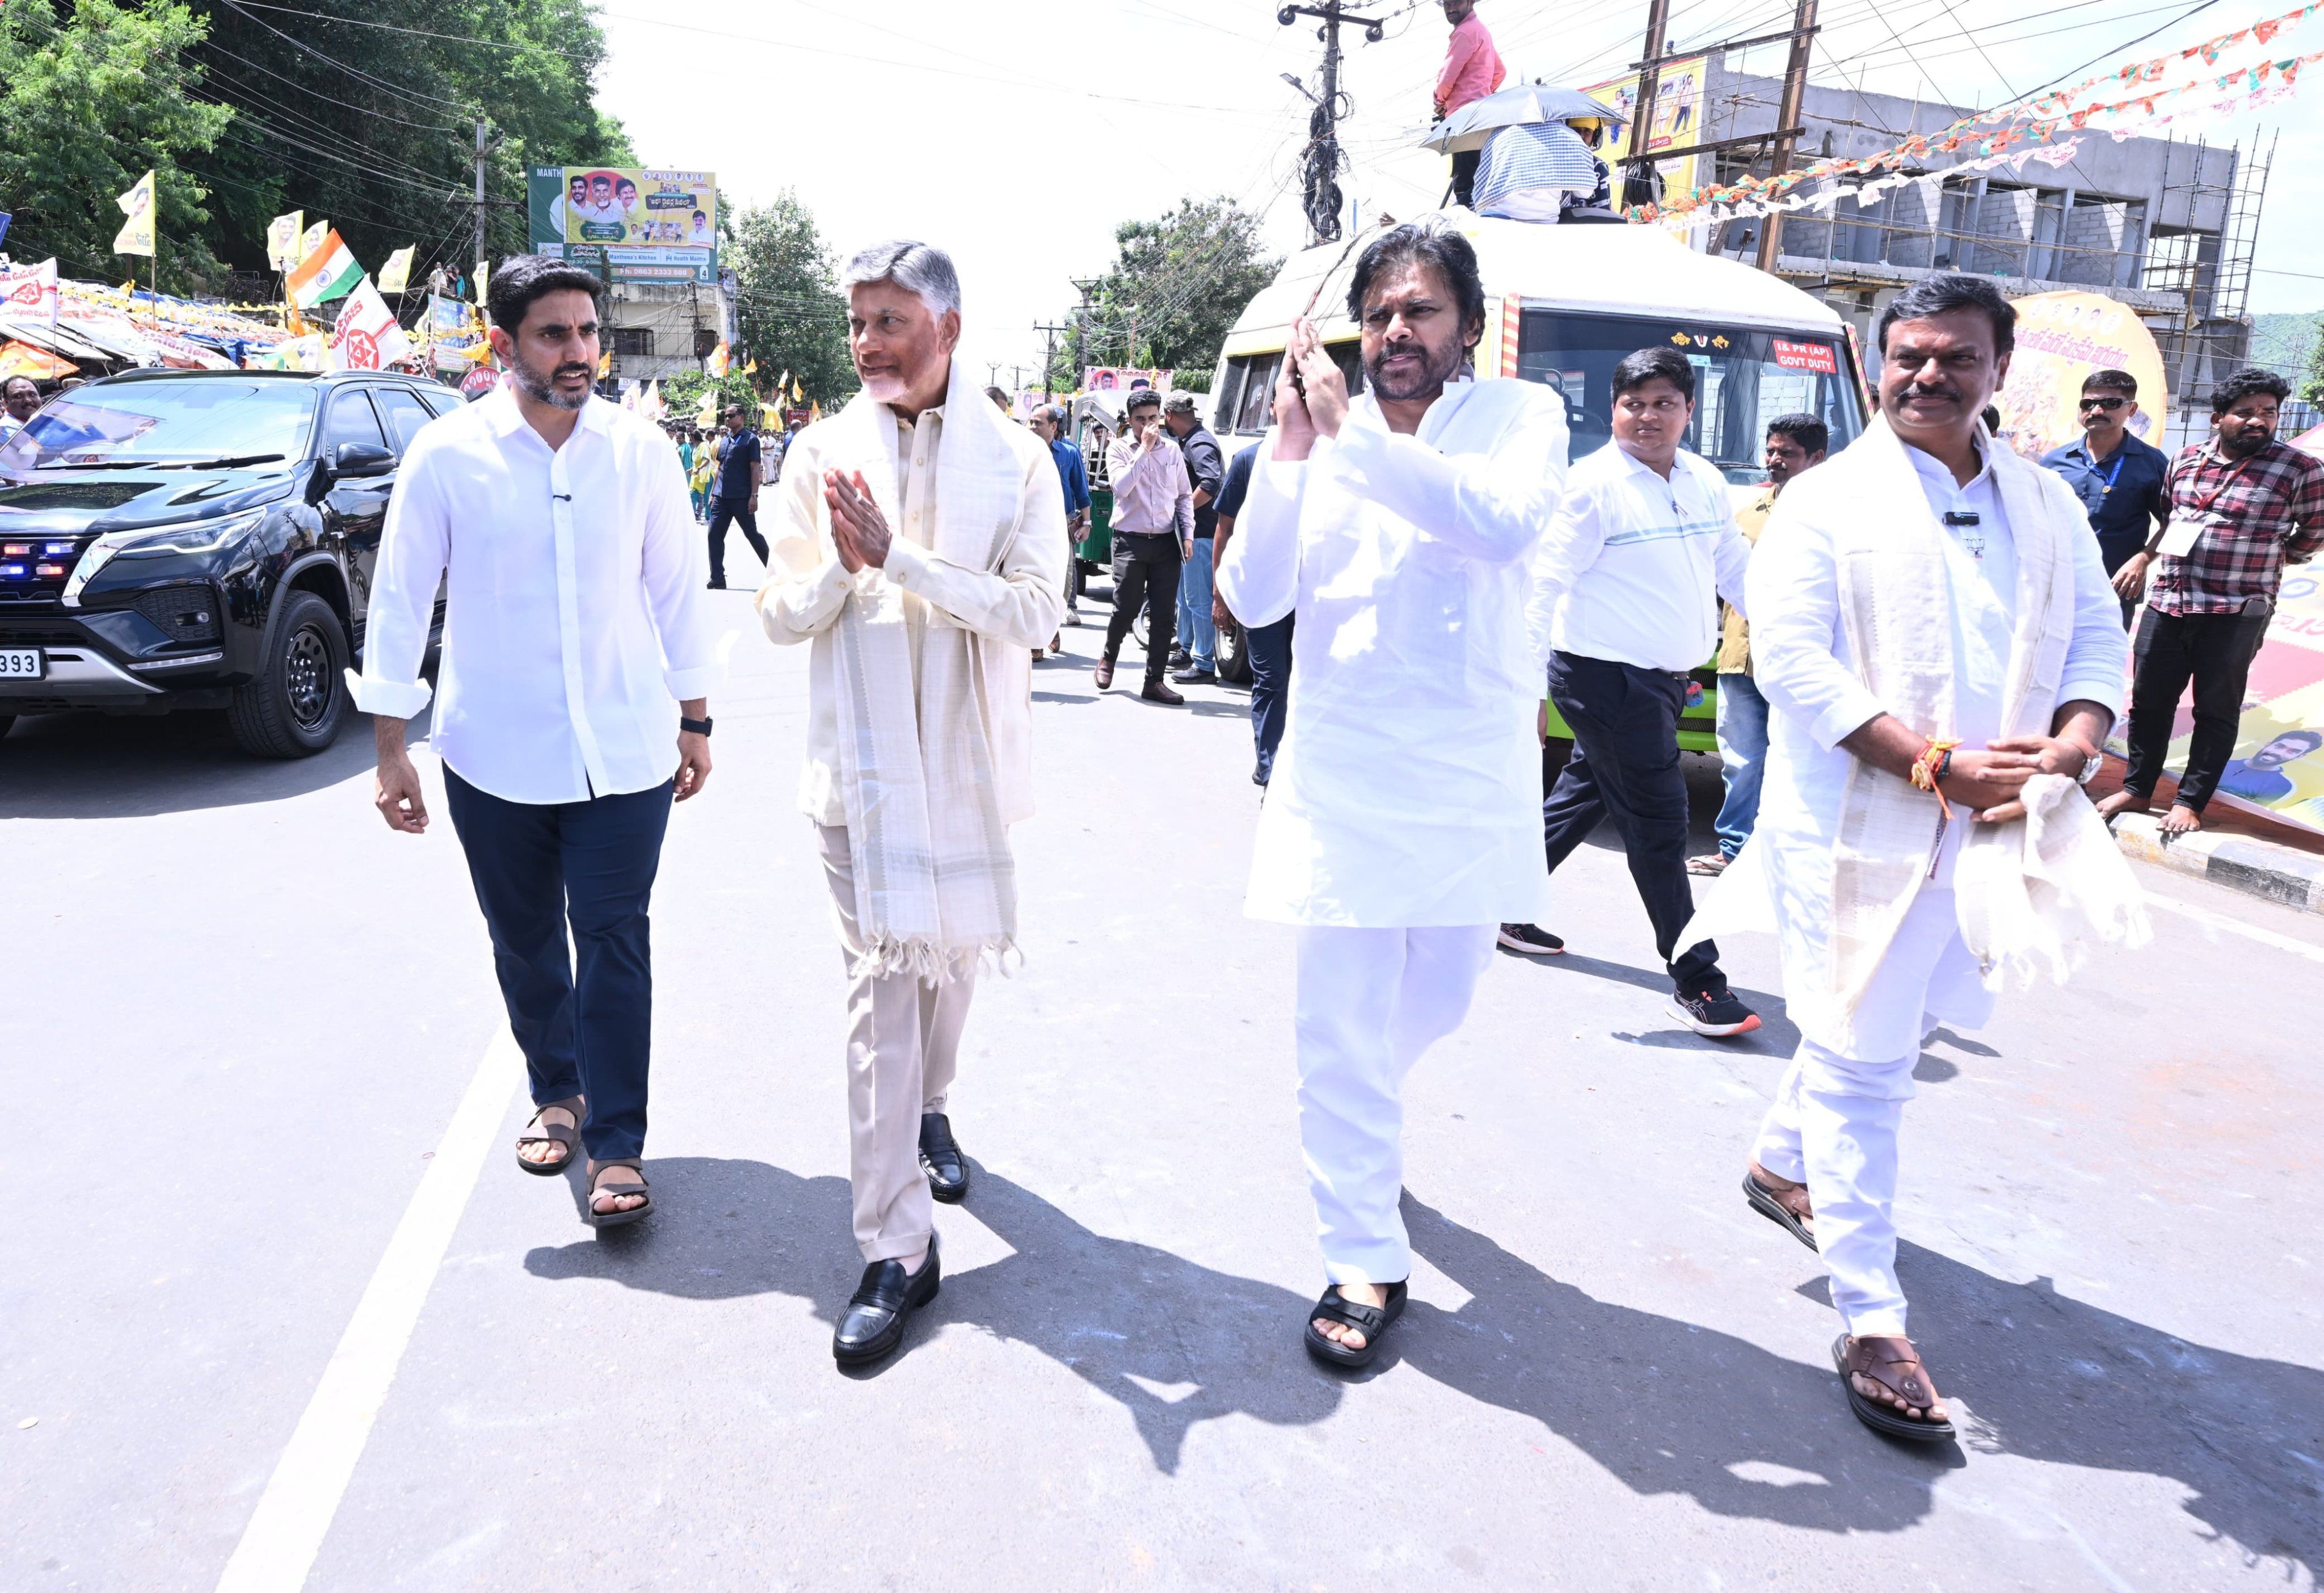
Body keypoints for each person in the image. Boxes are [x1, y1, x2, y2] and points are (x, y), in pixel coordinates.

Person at [1706, 274, 2134, 1442]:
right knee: (1861, 1056)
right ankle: (1869, 1314)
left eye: (1952, 356)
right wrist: (1929, 765)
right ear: (1877, 364)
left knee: (1887, 1021)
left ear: (1998, 369)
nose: (1925, 375)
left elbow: (2097, 634)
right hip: (1856, 822)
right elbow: (1791, 662)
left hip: (1996, 823)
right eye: (1905, 356)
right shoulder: (1825, 499)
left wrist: (2072, 741)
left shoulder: (2045, 502)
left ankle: (1779, 1160)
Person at [1215, 220, 1568, 1368]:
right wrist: (1285, 450)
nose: (1396, 331)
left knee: (1446, 994)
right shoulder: (1322, 436)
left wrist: (1346, 442)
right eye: (1378, 314)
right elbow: (1253, 596)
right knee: (1336, 1026)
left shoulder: (1520, 419)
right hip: (1341, 778)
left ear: (1465, 325)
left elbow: (1499, 523)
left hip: (1467, 773)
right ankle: (1362, 1247)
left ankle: (1358, 1111)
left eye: (1419, 310)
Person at [353, 253, 716, 1230]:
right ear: (503, 343)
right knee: (524, 941)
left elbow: (678, 593)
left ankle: (618, 1144)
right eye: (555, 334)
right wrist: (392, 745)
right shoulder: (447, 455)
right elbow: (399, 601)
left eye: (589, 332)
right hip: (492, 754)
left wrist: (696, 717)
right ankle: (557, 1090)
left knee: (612, 936)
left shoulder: (639, 451)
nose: (579, 352)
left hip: (626, 748)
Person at [756, 240, 1066, 1367]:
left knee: (949, 971)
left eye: (890, 320)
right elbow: (779, 612)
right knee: (885, 991)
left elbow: (1037, 613)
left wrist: (904, 561)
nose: (868, 344)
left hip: (968, 773)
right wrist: (844, 570)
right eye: (857, 322)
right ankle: (895, 1242)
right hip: (859, 781)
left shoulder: (1019, 458)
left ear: (948, 324)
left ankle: (931, 1105)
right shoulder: (820, 450)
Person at [1508, 346, 1759, 1038]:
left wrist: (1795, 630)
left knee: (1585, 790)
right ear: (1613, 409)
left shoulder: (1703, 479)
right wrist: (1528, 692)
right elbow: (1542, 589)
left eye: (1663, 403)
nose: (1647, 417)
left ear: (1688, 409)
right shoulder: (1589, 485)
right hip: (1601, 677)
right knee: (1659, 825)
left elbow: (1734, 566)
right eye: (1633, 404)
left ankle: (1497, 903)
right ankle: (1698, 980)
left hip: (1661, 680)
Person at [2098, 368, 2324, 836]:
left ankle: (2189, 800)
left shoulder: (2299, 469)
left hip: (2238, 612)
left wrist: (2276, 556)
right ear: (2218, 418)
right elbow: (2171, 515)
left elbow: (2316, 531)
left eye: (2269, 413)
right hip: (2169, 602)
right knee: (2148, 703)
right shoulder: (2184, 460)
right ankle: (2139, 788)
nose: (2259, 421)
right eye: (2246, 413)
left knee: (2216, 709)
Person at [1690, 413, 1827, 877]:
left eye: (1787, 453)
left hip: (1805, 661)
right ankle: (1735, 850)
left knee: (1802, 761)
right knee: (1741, 759)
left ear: (1817, 458)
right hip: (1740, 657)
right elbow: (1715, 582)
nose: (1774, 461)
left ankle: (1791, 857)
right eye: (1771, 451)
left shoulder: (1839, 517)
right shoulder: (1748, 513)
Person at [2040, 369, 2170, 628]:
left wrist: (2142, 560)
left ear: (2131, 410)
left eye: (2111, 403)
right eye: (2088, 404)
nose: (2097, 411)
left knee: (2099, 664)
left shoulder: (2152, 463)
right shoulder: (2054, 461)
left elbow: (2175, 522)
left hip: (2113, 588)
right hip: (2053, 586)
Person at [1096, 387, 1193, 704]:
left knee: (1164, 615)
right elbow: (1121, 489)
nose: (1148, 425)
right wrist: (1144, 450)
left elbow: (1183, 496)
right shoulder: (1119, 449)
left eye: (1153, 418)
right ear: (1131, 421)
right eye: (1140, 420)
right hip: (1130, 541)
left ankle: (1154, 680)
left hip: (1166, 541)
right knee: (1126, 606)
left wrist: (1188, 534)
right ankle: (1109, 656)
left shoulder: (1173, 451)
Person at [1212, 439, 1291, 785]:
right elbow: (1224, 529)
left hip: (1313, 599)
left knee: (1304, 682)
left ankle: (1288, 766)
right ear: (1274, 405)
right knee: (1272, 681)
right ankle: (1270, 768)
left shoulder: (1331, 454)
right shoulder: (1249, 460)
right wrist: (1220, 594)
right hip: (1264, 597)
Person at [1165, 392, 1226, 684]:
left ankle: (1203, 663)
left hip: (1201, 533)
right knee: (1186, 597)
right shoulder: (1191, 440)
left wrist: (1185, 510)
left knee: (1199, 600)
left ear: (1169, 416)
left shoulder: (1199, 443)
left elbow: (1212, 483)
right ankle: (1187, 649)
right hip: (1192, 533)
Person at [1029, 403, 1089, 649]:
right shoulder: (1021, 451)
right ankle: (1036, 641)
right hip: (1030, 524)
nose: (1033, 427)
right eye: (1031, 422)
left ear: (1054, 427)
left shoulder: (1069, 453)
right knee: (1033, 579)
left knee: (1063, 581)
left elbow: (1081, 491)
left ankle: (1052, 625)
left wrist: (1087, 523)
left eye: (1038, 423)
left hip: (1062, 525)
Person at [1435, 0, 1506, 208]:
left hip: (1464, 121)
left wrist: (1439, 100)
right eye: (1447, 4)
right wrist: (1482, 92)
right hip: (1482, 118)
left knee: (1465, 183)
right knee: (1479, 180)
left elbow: (1446, 80)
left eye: (1456, 2)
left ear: (1469, 2)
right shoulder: (1481, 30)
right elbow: (1500, 72)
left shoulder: (1464, 33)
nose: (1450, 8)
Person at [706, 402, 768, 589]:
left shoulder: (751, 440)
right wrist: (712, 493)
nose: (728, 418)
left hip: (742, 498)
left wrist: (754, 496)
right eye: (726, 415)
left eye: (732, 415)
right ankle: (717, 577)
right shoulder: (724, 440)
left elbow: (755, 468)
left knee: (752, 535)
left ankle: (777, 573)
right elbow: (720, 468)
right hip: (721, 498)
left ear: (742, 417)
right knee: (714, 535)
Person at [2218, 728, 2322, 803]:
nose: (2279, 753)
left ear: (2300, 756)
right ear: (2268, 744)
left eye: (2293, 752)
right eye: (2279, 746)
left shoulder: (2281, 785)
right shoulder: (2223, 762)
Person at [0, 375, 40, 442]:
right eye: (18, 396)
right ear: (6, 402)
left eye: (32, 394)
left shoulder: (51, 420)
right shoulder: (5, 430)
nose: (28, 400)